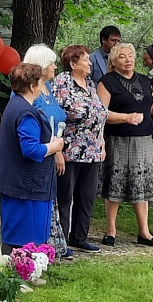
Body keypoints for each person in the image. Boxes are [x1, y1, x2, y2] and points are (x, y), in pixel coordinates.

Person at [96, 43, 153, 247]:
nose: (128, 59)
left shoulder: (144, 80)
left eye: (130, 55)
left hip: (143, 140)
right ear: (113, 61)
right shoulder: (107, 82)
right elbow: (101, 113)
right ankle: (111, 230)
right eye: (122, 56)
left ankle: (144, 232)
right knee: (115, 184)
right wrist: (126, 117)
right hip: (118, 139)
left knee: (142, 187)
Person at [0, 63, 64, 253]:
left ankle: (13, 270)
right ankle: (27, 271)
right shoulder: (27, 113)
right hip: (27, 186)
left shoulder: (13, 105)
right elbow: (31, 150)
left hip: (13, 182)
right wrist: (54, 146)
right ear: (33, 86)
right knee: (28, 237)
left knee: (13, 234)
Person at [51, 45, 109, 253]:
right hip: (69, 150)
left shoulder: (90, 84)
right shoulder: (61, 83)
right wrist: (57, 149)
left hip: (92, 151)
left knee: (87, 196)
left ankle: (80, 237)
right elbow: (55, 118)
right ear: (73, 63)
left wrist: (101, 142)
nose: (90, 63)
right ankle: (62, 241)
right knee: (65, 197)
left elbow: (100, 115)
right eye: (85, 60)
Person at [22, 44, 71, 259]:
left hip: (54, 147)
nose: (55, 66)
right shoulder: (34, 94)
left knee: (53, 197)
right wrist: (56, 150)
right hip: (45, 151)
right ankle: (43, 246)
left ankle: (55, 244)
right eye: (51, 63)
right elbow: (41, 126)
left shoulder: (48, 88)